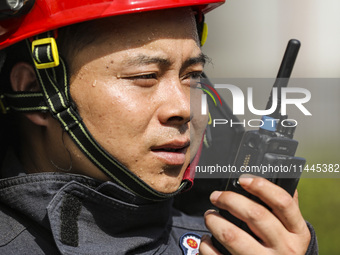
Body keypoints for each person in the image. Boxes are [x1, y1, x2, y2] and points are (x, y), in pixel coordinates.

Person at [0, 0, 318, 254]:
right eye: (146, 76)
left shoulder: (242, 244)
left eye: (192, 75)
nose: (183, 108)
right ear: (33, 90)